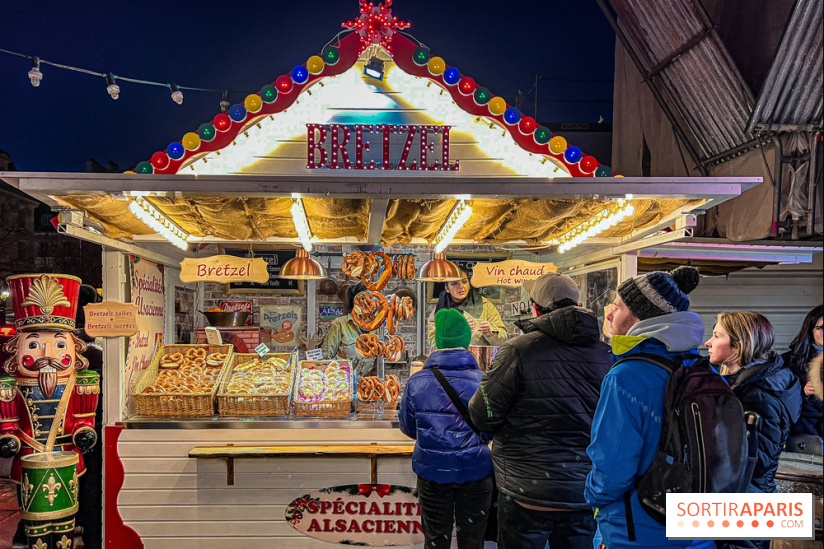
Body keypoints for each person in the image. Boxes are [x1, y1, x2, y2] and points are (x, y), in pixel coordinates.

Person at [468, 273, 611, 549]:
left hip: (526, 492)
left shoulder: (517, 351)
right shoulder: (607, 355)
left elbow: (482, 415)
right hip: (583, 491)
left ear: (536, 308)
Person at [585, 266, 714, 549]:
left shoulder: (626, 377)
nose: (609, 314)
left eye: (617, 307)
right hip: (699, 532)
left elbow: (612, 469)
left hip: (638, 530)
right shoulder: (703, 371)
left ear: (639, 317)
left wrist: (592, 495)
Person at [399, 309, 493, 549]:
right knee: (472, 541)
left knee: (435, 539)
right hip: (475, 471)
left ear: (438, 342)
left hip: (432, 473)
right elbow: (491, 428)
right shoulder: (483, 380)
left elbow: (409, 428)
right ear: (466, 341)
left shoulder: (417, 381)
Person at [427, 268, 506, 350]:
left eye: (464, 282)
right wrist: (457, 329)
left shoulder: (486, 306)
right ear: (447, 288)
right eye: (454, 284)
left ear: (469, 284)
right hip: (452, 360)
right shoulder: (440, 311)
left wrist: (489, 332)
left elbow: (503, 341)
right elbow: (434, 345)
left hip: (479, 359)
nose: (461, 286)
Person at [781, 305, 823, 440]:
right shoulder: (789, 360)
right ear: (810, 329)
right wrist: (802, 392)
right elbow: (778, 399)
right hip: (803, 432)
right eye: (821, 328)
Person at [321, 283, 376, 378]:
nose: (370, 302)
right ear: (356, 301)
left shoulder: (376, 329)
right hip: (341, 384)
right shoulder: (339, 324)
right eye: (366, 298)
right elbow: (325, 358)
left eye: (373, 299)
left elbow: (375, 366)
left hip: (364, 386)